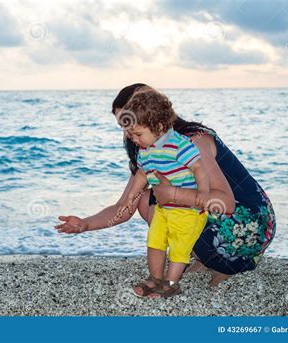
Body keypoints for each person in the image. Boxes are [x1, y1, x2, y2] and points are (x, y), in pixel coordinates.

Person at [55, 83, 276, 296]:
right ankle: (204, 257)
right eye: (123, 126)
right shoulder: (149, 149)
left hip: (251, 227)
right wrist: (85, 224)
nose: (127, 134)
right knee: (146, 199)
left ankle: (222, 266)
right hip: (226, 224)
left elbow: (225, 203)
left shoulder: (191, 142)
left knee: (152, 201)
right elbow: (124, 207)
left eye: (131, 124)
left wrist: (175, 195)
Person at [114, 86, 209, 297]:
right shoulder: (146, 150)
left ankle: (171, 283)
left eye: (137, 134)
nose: (133, 139)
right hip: (164, 208)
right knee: (155, 241)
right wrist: (129, 199)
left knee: (179, 249)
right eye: (130, 135)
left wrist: (203, 193)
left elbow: (199, 167)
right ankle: (155, 278)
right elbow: (141, 175)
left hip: (188, 211)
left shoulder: (179, 144)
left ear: (157, 126)